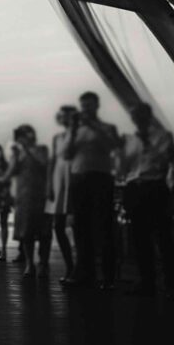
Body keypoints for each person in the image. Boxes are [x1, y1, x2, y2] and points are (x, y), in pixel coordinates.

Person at [117, 103, 174, 299]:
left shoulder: (162, 136)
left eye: (140, 116)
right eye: (134, 116)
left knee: (163, 236)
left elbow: (163, 160)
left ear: (148, 116)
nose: (137, 120)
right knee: (140, 238)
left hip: (155, 186)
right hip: (135, 187)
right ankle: (147, 281)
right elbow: (124, 166)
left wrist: (146, 143)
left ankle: (172, 283)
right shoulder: (130, 139)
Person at [62, 92, 120, 290]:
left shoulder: (107, 127)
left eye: (89, 105)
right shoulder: (76, 130)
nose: (85, 109)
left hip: (100, 178)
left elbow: (112, 146)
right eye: (83, 105)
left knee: (103, 226)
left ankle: (108, 276)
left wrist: (93, 125)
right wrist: (73, 129)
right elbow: (66, 154)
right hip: (79, 179)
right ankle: (85, 274)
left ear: (97, 106)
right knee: (81, 227)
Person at [2, 126, 49, 278]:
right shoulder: (17, 153)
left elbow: (43, 163)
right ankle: (29, 263)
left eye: (28, 134)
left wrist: (27, 149)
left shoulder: (42, 149)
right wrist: (15, 156)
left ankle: (43, 262)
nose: (28, 137)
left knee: (44, 231)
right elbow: (10, 173)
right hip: (24, 196)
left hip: (41, 195)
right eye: (24, 135)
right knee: (26, 231)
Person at [45, 106, 77, 283]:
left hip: (72, 181)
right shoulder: (57, 138)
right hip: (59, 183)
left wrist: (73, 130)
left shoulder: (78, 135)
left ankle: (78, 267)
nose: (65, 119)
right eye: (63, 116)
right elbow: (53, 161)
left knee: (76, 226)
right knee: (58, 226)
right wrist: (49, 185)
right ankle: (70, 265)